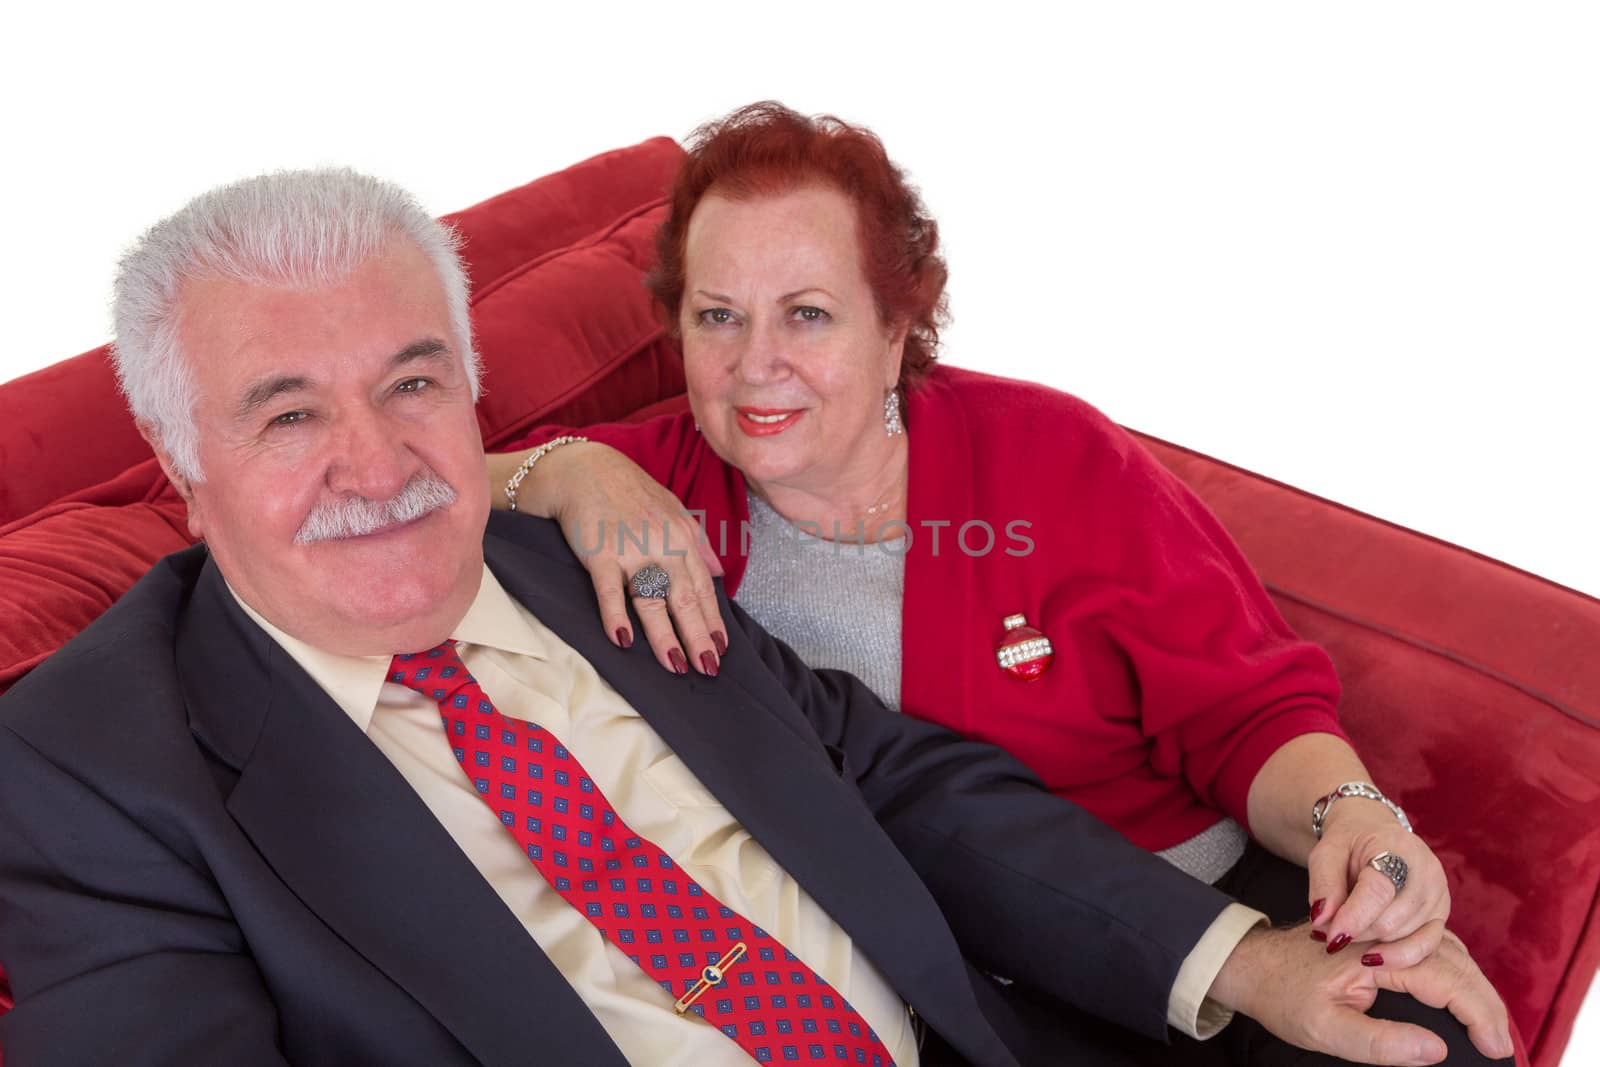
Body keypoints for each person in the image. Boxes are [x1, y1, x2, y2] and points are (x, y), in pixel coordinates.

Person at [0, 168, 1507, 1067]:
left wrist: (1254, 966)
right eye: (286, 413)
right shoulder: (91, 767)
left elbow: (895, 781)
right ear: (185, 475)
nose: (381, 465)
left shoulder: (586, 562)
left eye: (413, 382)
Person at [487, 103, 1512, 1065]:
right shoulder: (651, 480)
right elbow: (432, 488)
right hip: (970, 990)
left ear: (894, 329)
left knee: (1424, 1035)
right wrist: (567, 466)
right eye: (718, 316)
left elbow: (1246, 709)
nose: (757, 364)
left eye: (807, 314)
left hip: (1220, 910)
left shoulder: (1049, 455)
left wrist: (1352, 815)